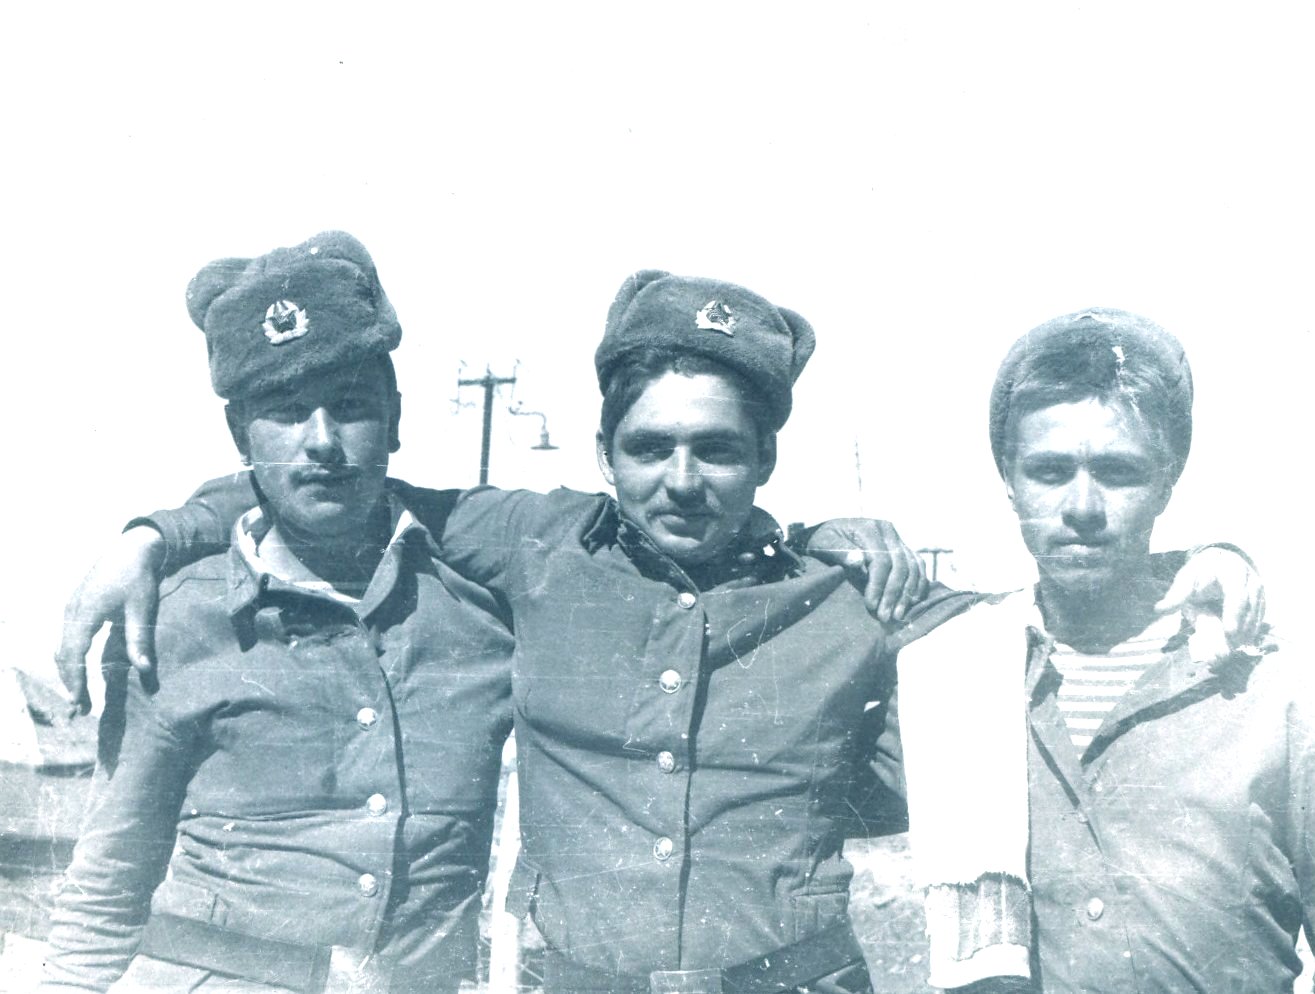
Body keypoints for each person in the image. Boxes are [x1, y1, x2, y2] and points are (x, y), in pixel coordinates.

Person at [53, 276, 1263, 994]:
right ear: (603, 452)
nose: (681, 480)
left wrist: (1200, 564)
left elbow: (1045, 622)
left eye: (717, 449)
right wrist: (154, 532)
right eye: (649, 447)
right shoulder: (528, 547)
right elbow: (336, 480)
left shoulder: (849, 592)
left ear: (766, 459)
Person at [40, 232, 518, 993]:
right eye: (287, 412)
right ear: (241, 438)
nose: (321, 441)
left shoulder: (479, 606)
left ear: (395, 419)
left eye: (351, 407)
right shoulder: (177, 618)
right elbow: (109, 877)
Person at [895, 309, 1311, 993]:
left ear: (1167, 481)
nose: (1082, 506)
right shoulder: (947, 678)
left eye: (1118, 472)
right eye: (1049, 471)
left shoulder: (1276, 685)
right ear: (1008, 481)